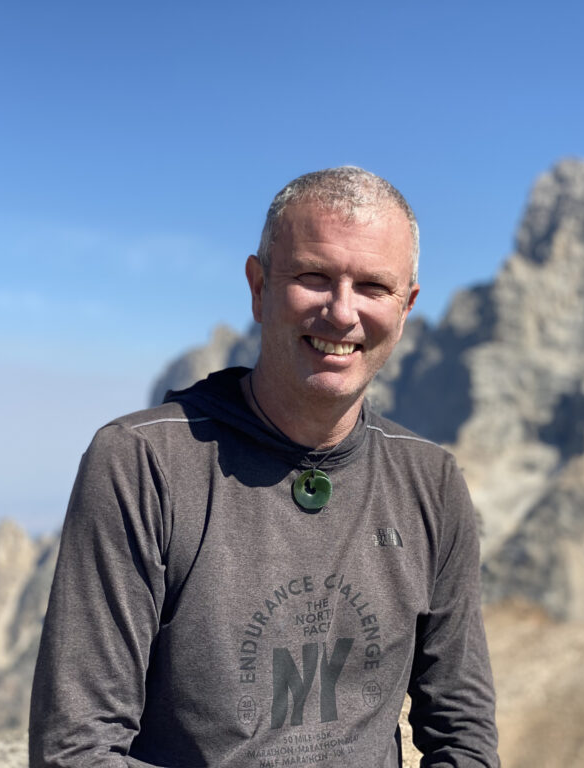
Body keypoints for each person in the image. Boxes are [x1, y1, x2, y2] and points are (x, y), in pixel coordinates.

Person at [29, 167, 500, 767]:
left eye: (374, 287)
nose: (342, 312)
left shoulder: (431, 482)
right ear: (258, 288)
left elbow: (462, 736)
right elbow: (76, 750)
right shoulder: (141, 463)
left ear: (406, 307)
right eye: (313, 276)